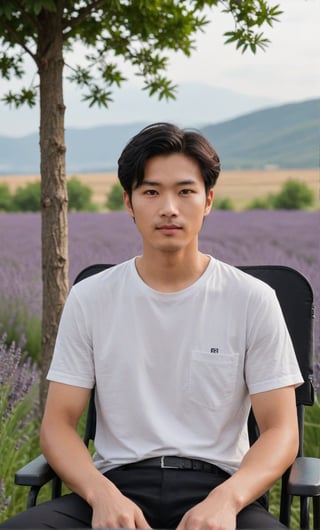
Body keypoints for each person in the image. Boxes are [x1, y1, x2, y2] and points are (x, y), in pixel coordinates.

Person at [1, 122, 303, 530]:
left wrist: (227, 501)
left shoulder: (252, 299)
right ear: (128, 202)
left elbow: (281, 430)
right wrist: (101, 495)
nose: (169, 208)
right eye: (151, 192)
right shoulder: (92, 297)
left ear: (208, 199)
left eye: (185, 191)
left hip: (218, 488)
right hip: (115, 486)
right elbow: (57, 424)